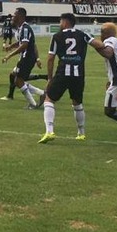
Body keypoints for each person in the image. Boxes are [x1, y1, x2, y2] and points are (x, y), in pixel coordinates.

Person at [38, 13, 104, 144]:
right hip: (78, 74)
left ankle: (49, 131)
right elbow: (98, 44)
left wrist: (50, 78)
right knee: (77, 103)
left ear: (66, 22)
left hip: (63, 73)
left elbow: (50, 58)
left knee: (49, 100)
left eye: (60, 22)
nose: (59, 24)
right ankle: (81, 133)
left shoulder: (56, 36)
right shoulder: (82, 34)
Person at [1, 7, 45, 108]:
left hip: (27, 58)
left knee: (19, 81)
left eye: (14, 14)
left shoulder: (25, 28)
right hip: (26, 58)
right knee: (14, 77)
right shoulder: (21, 28)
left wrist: (9, 56)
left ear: (20, 16)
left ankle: (35, 102)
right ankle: (41, 94)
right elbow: (21, 43)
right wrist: (11, 47)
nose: (12, 16)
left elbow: (24, 45)